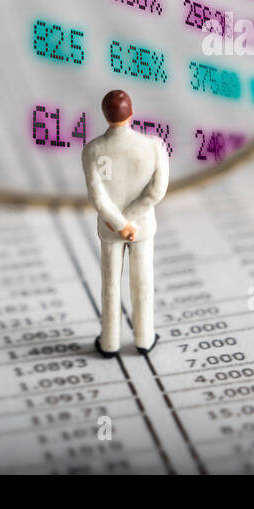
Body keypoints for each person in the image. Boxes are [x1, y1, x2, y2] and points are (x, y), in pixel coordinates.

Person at [81, 89, 169, 356]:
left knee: (110, 284)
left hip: (109, 229)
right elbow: (157, 191)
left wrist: (119, 223)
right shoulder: (153, 145)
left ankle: (109, 342)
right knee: (143, 282)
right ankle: (144, 338)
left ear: (105, 115)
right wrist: (130, 220)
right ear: (131, 113)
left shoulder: (93, 150)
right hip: (141, 227)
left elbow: (97, 196)